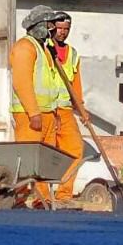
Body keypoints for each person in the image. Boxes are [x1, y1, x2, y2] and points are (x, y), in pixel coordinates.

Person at [8, 5, 80, 208]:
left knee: (43, 161)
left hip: (48, 113)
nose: (52, 29)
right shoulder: (25, 47)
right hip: (30, 115)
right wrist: (33, 112)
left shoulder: (43, 48)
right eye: (48, 25)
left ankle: (42, 199)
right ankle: (19, 198)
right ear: (38, 25)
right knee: (28, 159)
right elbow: (21, 83)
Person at [44, 11, 90, 205]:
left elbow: (75, 86)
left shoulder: (73, 54)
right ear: (52, 27)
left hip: (64, 109)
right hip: (45, 108)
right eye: (60, 28)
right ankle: (43, 197)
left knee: (75, 149)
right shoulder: (43, 48)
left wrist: (82, 110)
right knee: (44, 153)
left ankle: (64, 195)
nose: (63, 32)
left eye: (66, 29)